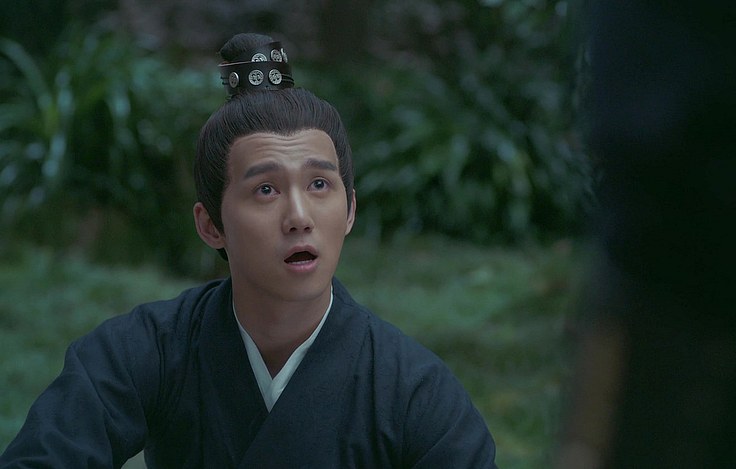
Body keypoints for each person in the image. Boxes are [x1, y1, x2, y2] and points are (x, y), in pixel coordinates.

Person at [0, 33, 496, 468]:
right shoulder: (144, 351)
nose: (299, 216)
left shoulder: (416, 392)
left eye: (319, 184)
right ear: (210, 225)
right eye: (265, 190)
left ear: (349, 211)